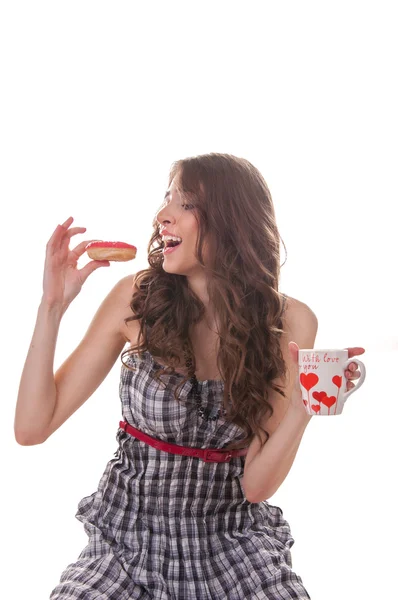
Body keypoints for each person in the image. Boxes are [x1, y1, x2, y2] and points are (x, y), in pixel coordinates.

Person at [15, 152, 365, 599]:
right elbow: (31, 427)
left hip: (233, 543)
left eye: (184, 204)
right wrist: (52, 306)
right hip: (127, 545)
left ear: (230, 219)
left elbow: (255, 487)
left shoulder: (291, 322)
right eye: (166, 200)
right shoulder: (136, 298)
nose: (162, 217)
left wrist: (304, 407)